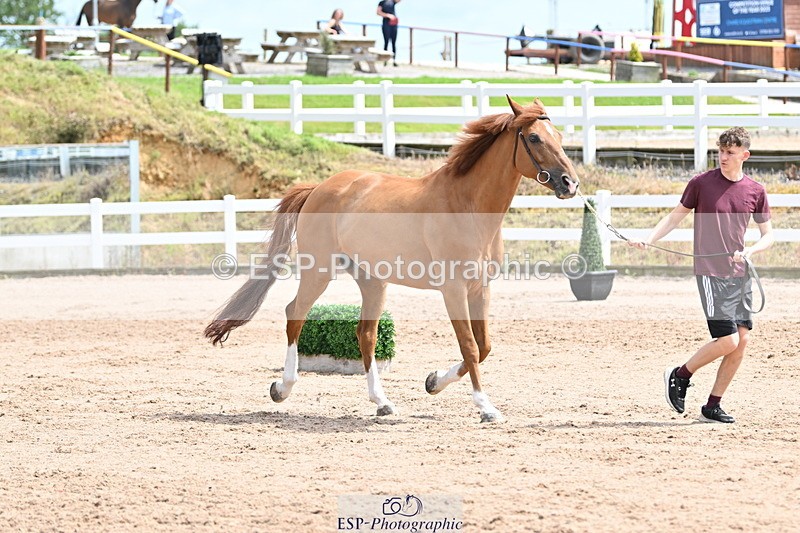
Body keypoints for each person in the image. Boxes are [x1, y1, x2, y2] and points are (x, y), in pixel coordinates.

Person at [629, 127, 774, 424]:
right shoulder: (701, 184)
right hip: (710, 272)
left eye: (730, 152)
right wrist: (650, 238)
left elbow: (768, 235)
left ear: (744, 155)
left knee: (741, 341)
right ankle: (680, 374)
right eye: (720, 151)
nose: (723, 157)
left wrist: (750, 252)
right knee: (728, 340)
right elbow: (675, 216)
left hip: (740, 273)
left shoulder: (755, 191)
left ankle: (712, 405)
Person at [377, 0, 401, 66]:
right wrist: (388, 15)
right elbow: (378, 12)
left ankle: (394, 60)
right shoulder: (382, 2)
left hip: (393, 25)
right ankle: (385, 61)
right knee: (386, 42)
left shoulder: (392, 2)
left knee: (393, 43)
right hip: (386, 24)